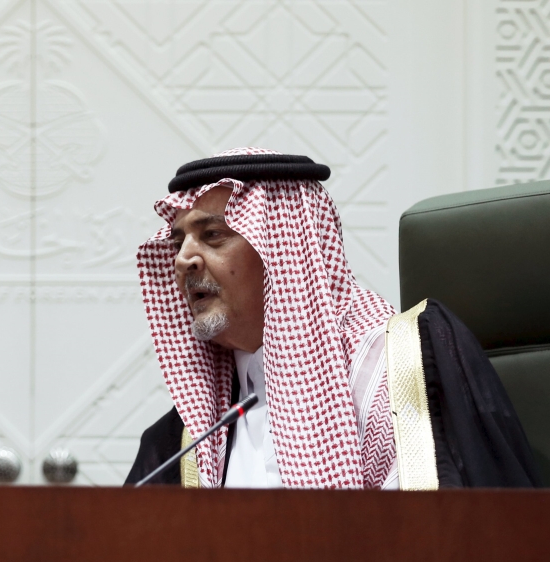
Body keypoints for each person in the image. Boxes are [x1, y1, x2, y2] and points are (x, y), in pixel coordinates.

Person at [125, 147, 541, 489]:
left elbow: (488, 529)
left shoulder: (408, 368)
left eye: (213, 235)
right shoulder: (186, 439)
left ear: (285, 250)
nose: (182, 260)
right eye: (178, 242)